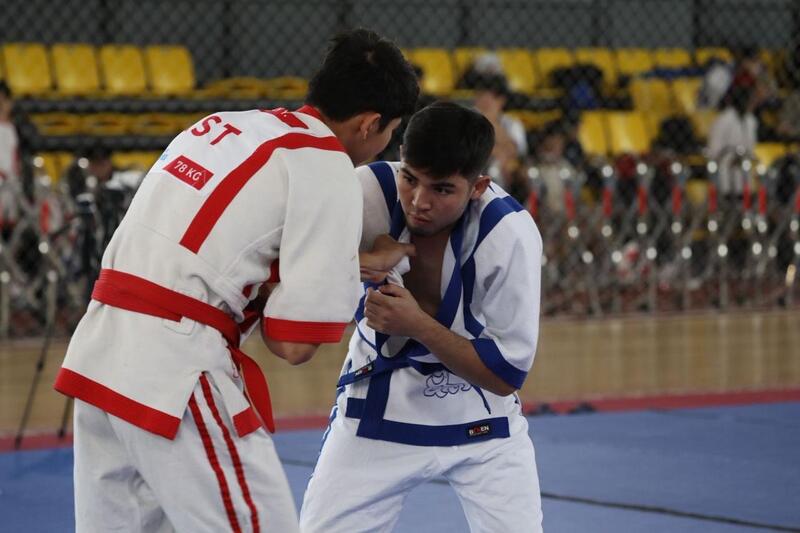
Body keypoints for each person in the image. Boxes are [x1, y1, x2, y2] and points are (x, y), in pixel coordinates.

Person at [54, 28, 419, 533]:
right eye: (389, 134)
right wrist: (334, 274)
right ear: (370, 124)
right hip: (175, 367)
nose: (383, 147)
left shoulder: (222, 125)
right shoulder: (328, 164)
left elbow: (208, 253)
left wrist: (347, 261)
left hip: (99, 354)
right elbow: (293, 344)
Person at [300, 102, 544, 532]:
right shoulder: (366, 194)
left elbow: (506, 375)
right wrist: (359, 262)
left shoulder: (508, 236)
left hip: (482, 415)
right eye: (410, 178)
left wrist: (415, 324)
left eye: (442, 190)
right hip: (379, 403)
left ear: (477, 186)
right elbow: (289, 261)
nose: (419, 201)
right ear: (399, 160)